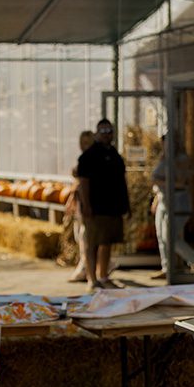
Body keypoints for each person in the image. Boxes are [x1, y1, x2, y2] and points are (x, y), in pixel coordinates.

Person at [77, 118, 130, 290]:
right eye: (103, 131)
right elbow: (83, 182)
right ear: (97, 133)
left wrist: (126, 205)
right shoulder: (89, 156)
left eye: (109, 131)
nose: (107, 134)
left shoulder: (115, 155)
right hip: (95, 208)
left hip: (113, 207)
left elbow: (122, 182)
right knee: (92, 243)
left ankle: (104, 276)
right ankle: (92, 279)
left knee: (107, 243)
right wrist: (86, 205)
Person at [151, 134, 194, 279]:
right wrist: (157, 199)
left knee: (171, 236)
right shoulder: (164, 158)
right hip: (164, 200)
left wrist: (159, 182)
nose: (165, 147)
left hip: (178, 200)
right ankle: (167, 268)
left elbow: (180, 183)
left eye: (168, 144)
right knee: (161, 235)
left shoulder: (180, 159)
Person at [66, 130, 95, 283]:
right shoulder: (83, 160)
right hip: (81, 207)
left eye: (87, 142)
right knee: (81, 237)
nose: (84, 146)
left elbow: (83, 185)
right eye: (82, 142)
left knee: (86, 239)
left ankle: (88, 271)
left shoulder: (90, 160)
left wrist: (86, 205)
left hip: (88, 206)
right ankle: (85, 268)